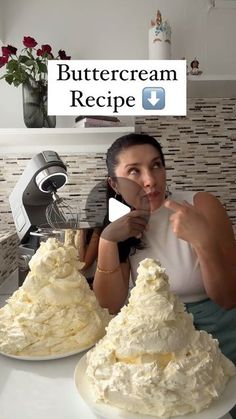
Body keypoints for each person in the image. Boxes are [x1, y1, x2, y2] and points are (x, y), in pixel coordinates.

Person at [93, 133, 236, 370]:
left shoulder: (201, 206)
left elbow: (230, 298)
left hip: (220, 334)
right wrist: (107, 241)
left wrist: (203, 242)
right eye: (134, 171)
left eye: (156, 165)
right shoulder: (121, 226)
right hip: (159, 343)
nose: (150, 180)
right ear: (115, 184)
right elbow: (109, 307)